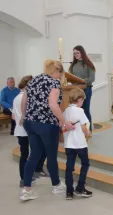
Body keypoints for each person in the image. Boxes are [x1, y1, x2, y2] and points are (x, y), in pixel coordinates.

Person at [20, 60, 75, 201]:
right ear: (57, 72)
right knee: (51, 156)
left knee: (33, 155)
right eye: (60, 74)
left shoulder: (34, 80)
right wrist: (64, 121)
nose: (59, 77)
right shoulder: (54, 83)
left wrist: (24, 116)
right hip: (46, 124)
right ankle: (56, 185)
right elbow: (53, 105)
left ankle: (26, 190)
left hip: (30, 123)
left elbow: (24, 101)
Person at [63, 87, 92, 200]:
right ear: (79, 99)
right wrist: (88, 133)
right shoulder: (80, 111)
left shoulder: (65, 111)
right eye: (83, 100)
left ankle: (69, 192)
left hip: (69, 144)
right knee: (85, 164)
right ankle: (80, 188)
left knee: (69, 168)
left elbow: (63, 126)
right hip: (80, 144)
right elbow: (84, 127)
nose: (83, 103)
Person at [13, 75, 40, 187]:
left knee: (24, 154)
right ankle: (28, 176)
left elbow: (13, 116)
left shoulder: (16, 98)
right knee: (33, 153)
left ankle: (24, 177)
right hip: (29, 130)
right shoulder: (27, 97)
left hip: (20, 130)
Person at [69, 45, 96, 133]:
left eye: (77, 53)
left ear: (82, 53)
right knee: (77, 110)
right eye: (74, 53)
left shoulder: (88, 64)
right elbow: (70, 77)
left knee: (85, 110)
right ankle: (80, 130)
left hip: (86, 89)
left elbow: (91, 79)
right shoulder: (73, 65)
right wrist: (72, 82)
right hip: (75, 91)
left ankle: (88, 131)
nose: (76, 55)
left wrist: (81, 82)